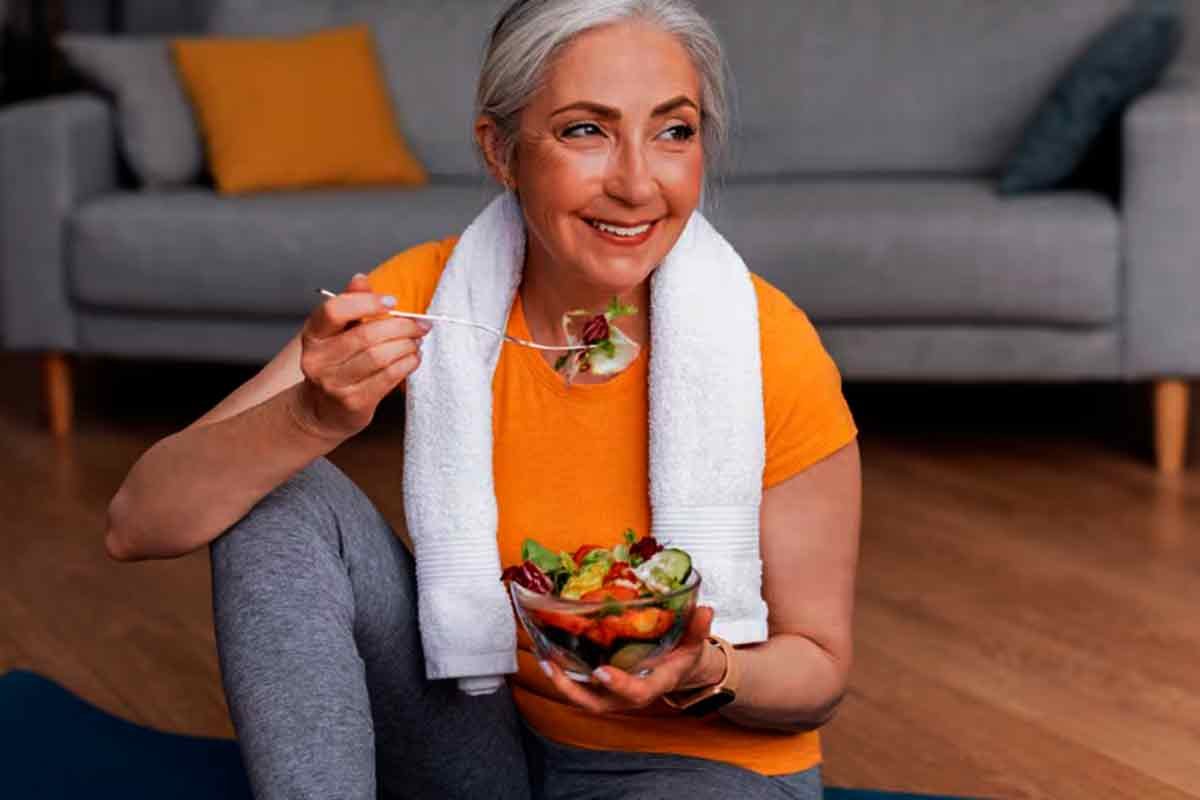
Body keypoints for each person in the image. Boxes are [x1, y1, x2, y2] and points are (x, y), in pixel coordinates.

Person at [104, 1, 861, 798]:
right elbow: (135, 523)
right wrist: (307, 418)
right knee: (277, 491)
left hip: (694, 765)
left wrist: (705, 667)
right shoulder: (428, 297)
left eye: (674, 131)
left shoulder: (767, 343)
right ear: (501, 151)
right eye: (585, 130)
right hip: (481, 738)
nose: (638, 183)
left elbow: (819, 674)